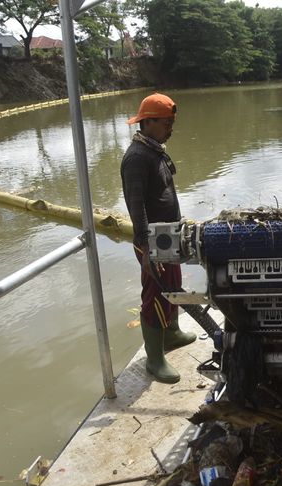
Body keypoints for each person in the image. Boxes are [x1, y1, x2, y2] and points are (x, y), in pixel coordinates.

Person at [121, 93, 196, 384]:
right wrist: (145, 246)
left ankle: (172, 334)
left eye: (171, 122)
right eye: (166, 123)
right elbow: (135, 205)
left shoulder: (154, 150)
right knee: (154, 294)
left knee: (173, 285)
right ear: (148, 122)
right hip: (153, 240)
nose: (170, 128)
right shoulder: (137, 158)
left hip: (168, 234)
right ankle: (154, 359)